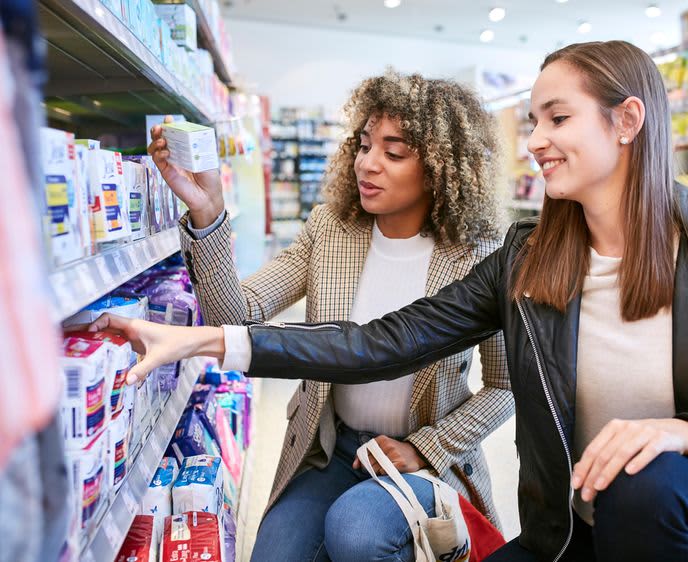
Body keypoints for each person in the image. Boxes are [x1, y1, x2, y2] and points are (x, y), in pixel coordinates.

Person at [91, 41, 688, 562]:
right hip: (551, 520)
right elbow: (379, 341)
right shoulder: (530, 259)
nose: (534, 142)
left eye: (556, 119)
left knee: (647, 482)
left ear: (627, 120)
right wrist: (207, 326)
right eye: (533, 121)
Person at [147, 72, 513, 561]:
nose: (368, 163)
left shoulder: (478, 255)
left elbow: (505, 386)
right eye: (363, 145)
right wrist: (207, 212)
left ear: (440, 168)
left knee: (358, 533)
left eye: (393, 153)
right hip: (332, 447)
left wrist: (425, 447)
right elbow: (236, 316)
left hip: (424, 461)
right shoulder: (331, 229)